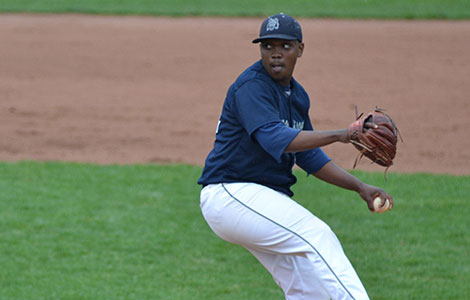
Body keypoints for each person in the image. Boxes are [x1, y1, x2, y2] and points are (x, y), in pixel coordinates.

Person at [198, 13, 393, 300]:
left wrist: (359, 187)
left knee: (305, 287)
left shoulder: (297, 96)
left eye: (285, 46)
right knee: (317, 235)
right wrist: (342, 134)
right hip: (230, 194)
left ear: (300, 49)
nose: (276, 54)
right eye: (268, 46)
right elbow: (275, 139)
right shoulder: (251, 87)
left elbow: (308, 156)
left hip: (259, 200)